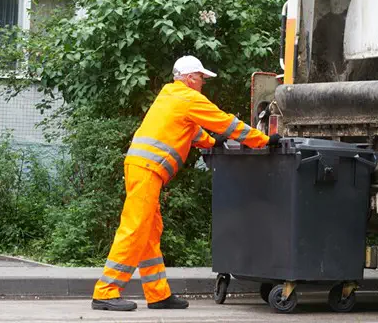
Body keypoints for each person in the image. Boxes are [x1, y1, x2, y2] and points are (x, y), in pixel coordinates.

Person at [91, 55, 280, 311]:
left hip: (142, 168)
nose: (203, 83)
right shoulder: (188, 98)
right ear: (190, 78)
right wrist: (263, 140)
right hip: (146, 170)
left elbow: (190, 130)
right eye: (201, 78)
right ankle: (105, 291)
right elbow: (225, 122)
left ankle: (158, 294)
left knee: (149, 232)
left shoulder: (171, 96)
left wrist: (213, 143)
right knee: (135, 228)